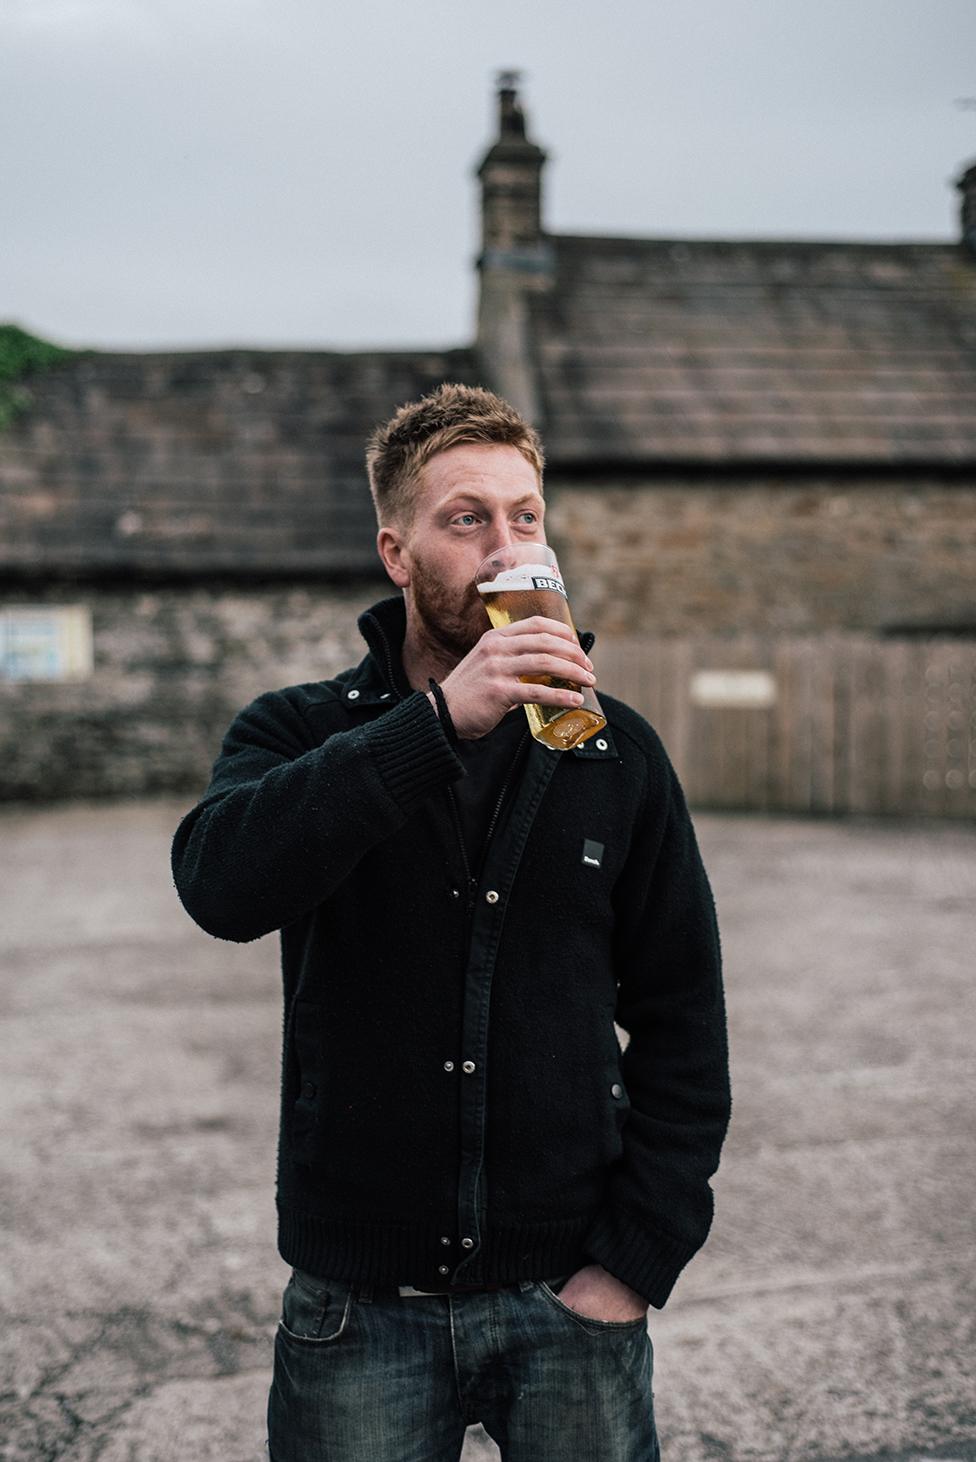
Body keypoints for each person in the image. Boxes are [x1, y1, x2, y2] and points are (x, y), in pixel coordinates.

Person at [171, 383, 731, 1461]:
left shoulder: (616, 753)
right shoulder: (295, 731)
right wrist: (435, 725)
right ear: (397, 552)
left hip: (570, 1301)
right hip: (358, 1307)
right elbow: (219, 886)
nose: (505, 543)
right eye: (465, 517)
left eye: (525, 516)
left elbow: (683, 1020)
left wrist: (631, 1262)